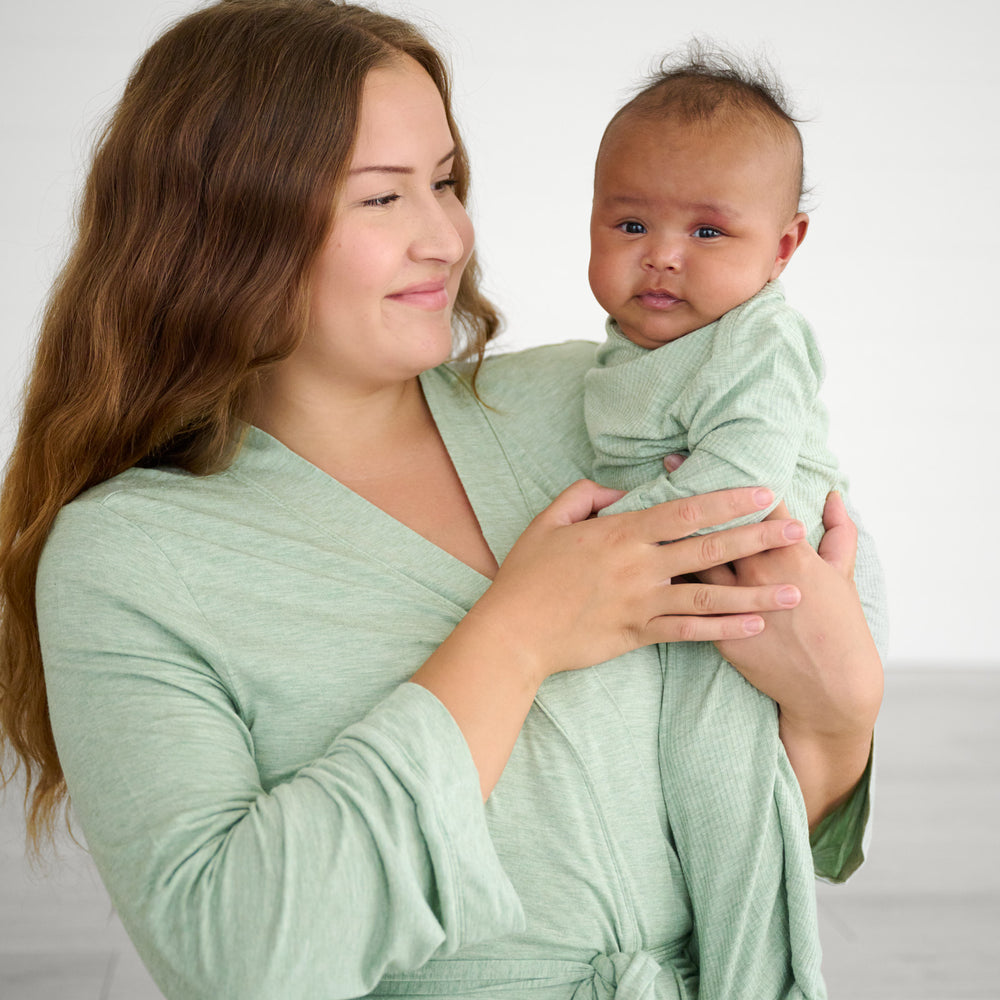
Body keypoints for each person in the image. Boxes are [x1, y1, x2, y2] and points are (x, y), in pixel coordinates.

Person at [0, 3, 882, 999]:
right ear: (226, 223)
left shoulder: (607, 405)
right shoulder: (126, 557)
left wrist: (840, 717)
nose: (447, 238)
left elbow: (739, 821)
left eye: (446, 182)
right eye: (382, 199)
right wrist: (520, 632)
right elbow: (235, 954)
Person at [583, 50, 887, 999]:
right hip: (714, 579)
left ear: (784, 247)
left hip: (781, 581)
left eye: (709, 229)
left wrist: (596, 547)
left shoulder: (761, 338)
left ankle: (757, 976)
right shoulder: (637, 343)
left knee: (730, 802)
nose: (662, 253)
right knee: (690, 792)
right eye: (630, 222)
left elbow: (742, 485)